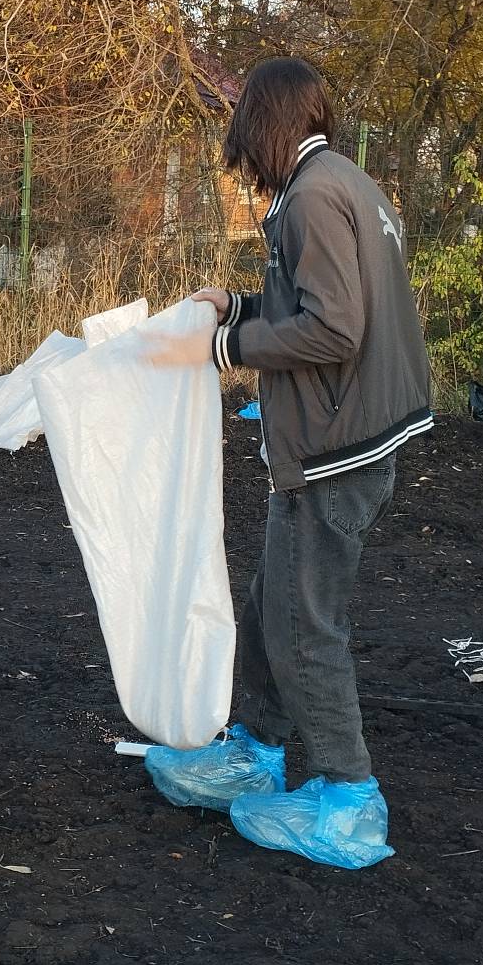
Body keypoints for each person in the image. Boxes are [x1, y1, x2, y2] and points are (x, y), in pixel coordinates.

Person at [160, 55, 433, 805]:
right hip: (362, 433)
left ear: (265, 127)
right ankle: (257, 748)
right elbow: (325, 301)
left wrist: (221, 348)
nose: (246, 170)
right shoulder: (347, 180)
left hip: (334, 447)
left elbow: (335, 330)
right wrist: (240, 306)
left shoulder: (311, 197)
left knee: (304, 627)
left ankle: (348, 797)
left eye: (246, 144)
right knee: (270, 602)